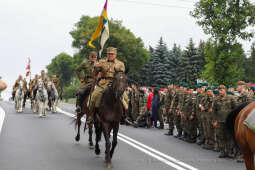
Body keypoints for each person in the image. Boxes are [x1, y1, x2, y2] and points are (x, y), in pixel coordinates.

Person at [88, 47, 125, 122]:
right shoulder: (101, 62)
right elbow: (94, 74)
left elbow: (122, 75)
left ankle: (125, 116)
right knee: (93, 96)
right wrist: (95, 67)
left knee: (125, 99)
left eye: (112, 54)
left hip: (115, 84)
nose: (110, 55)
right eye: (109, 54)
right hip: (103, 83)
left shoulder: (120, 64)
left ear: (115, 54)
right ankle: (91, 116)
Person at [213, 85, 238, 158]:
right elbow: (214, 111)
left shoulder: (231, 98)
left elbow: (235, 109)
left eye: (221, 90)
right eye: (219, 90)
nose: (220, 92)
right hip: (220, 121)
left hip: (229, 121)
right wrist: (214, 120)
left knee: (229, 136)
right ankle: (223, 151)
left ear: (225, 90)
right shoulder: (216, 99)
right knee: (220, 136)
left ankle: (229, 151)